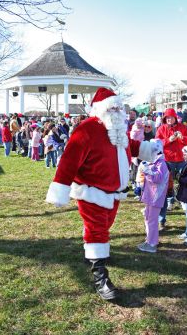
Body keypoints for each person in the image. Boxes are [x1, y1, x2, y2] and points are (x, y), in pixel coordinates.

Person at [46, 87, 151, 301]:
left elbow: (128, 145)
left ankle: (94, 254)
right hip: (91, 192)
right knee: (97, 231)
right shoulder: (87, 129)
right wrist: (60, 188)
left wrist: (148, 149)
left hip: (114, 193)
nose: (116, 110)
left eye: (119, 107)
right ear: (101, 108)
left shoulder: (118, 128)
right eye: (112, 107)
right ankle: (100, 276)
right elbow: (69, 160)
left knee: (104, 227)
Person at [155, 108, 187, 209]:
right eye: (167, 118)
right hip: (168, 159)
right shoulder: (161, 129)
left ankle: (183, 200)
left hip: (181, 159)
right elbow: (157, 143)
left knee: (184, 181)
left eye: (171, 117)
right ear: (164, 119)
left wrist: (182, 138)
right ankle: (169, 201)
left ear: (175, 118)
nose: (169, 119)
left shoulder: (183, 127)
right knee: (167, 183)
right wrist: (169, 140)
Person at [137, 139, 169, 253]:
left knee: (152, 220)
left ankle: (152, 243)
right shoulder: (154, 161)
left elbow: (158, 178)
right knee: (147, 217)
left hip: (156, 197)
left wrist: (147, 171)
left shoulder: (161, 163)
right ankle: (150, 239)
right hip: (150, 195)